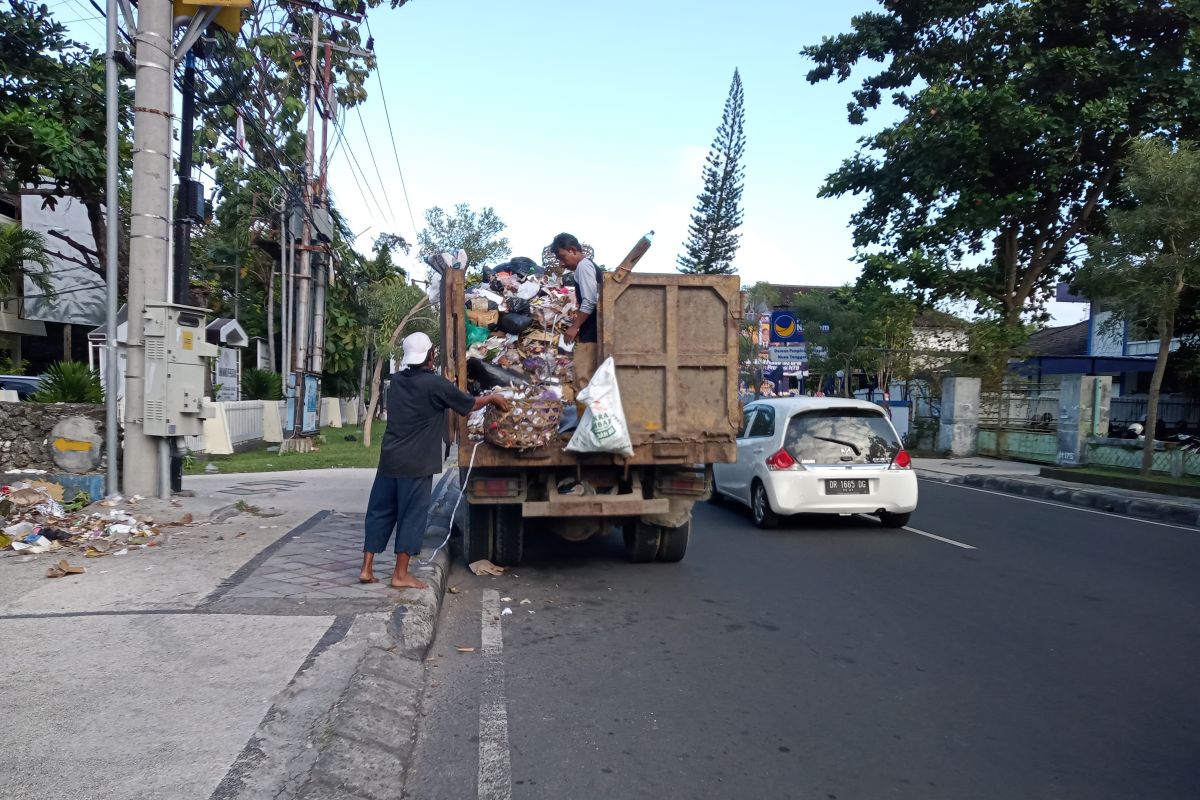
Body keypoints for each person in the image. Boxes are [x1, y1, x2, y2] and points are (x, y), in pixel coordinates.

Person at [360, 331, 509, 588]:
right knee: (411, 516)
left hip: (390, 459)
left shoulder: (396, 382)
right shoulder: (435, 385)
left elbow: (429, 395)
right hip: (416, 463)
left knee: (379, 512)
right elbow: (468, 403)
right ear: (431, 355)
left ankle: (366, 568)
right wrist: (492, 398)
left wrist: (446, 384)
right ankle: (400, 574)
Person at [551, 232, 599, 391]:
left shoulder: (583, 266)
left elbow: (590, 300)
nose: (562, 263)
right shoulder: (584, 266)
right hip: (593, 331)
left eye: (562, 257)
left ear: (573, 250)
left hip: (593, 334)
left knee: (582, 378)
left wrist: (575, 326)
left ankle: (587, 415)